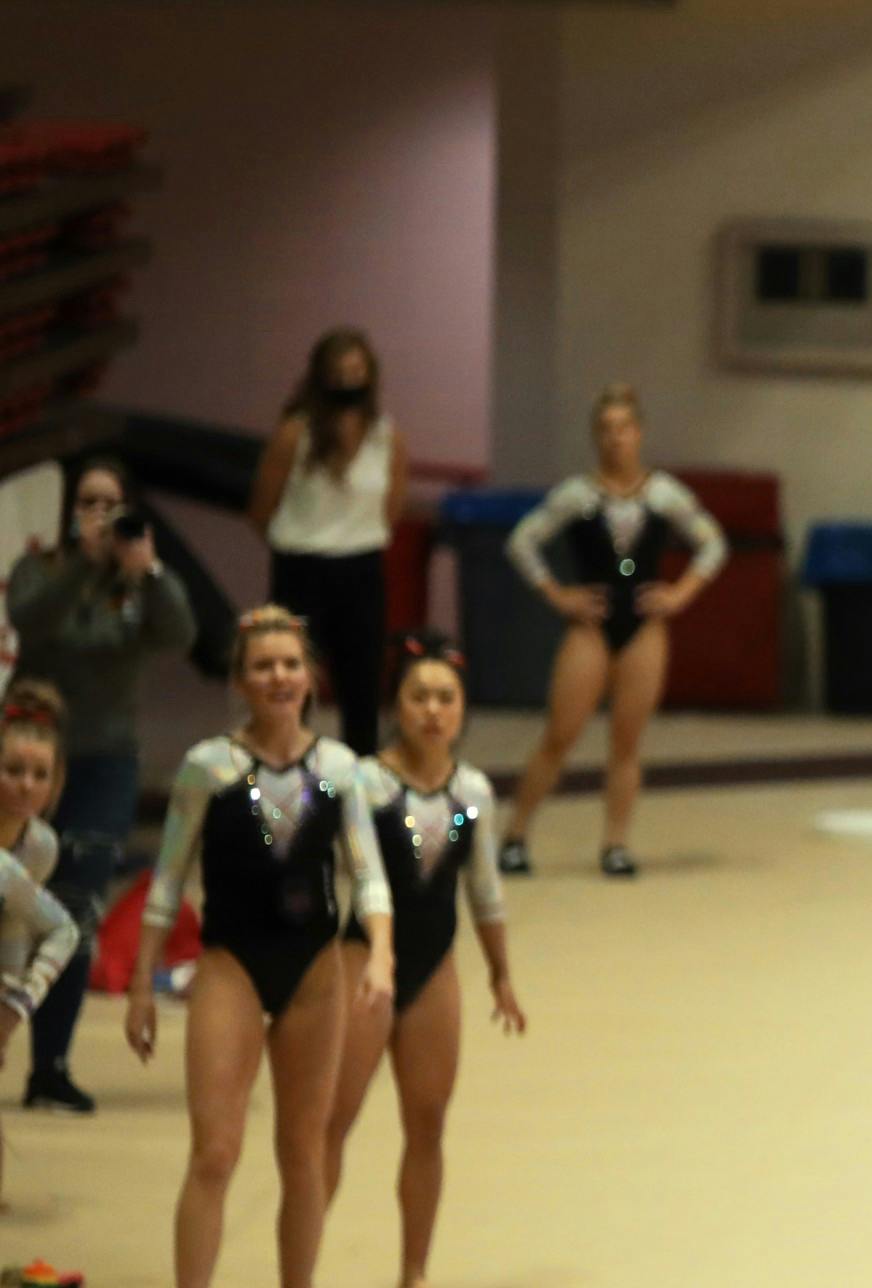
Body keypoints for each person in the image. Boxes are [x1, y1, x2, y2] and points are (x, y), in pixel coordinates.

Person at [124, 606, 394, 1288]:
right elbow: (167, 878)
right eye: (263, 666)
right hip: (232, 967)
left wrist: (382, 954)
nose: (278, 676)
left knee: (303, 1151)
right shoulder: (207, 768)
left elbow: (368, 876)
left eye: (291, 664)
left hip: (314, 972)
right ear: (239, 682)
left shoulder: (341, 769)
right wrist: (140, 983)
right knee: (215, 1152)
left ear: (311, 678)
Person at [323, 632, 525, 1288]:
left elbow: (485, 892)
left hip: (434, 962)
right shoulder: (368, 782)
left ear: (463, 710)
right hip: (365, 959)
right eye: (419, 697)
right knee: (333, 1122)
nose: (432, 710)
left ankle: (414, 1273)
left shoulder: (473, 793)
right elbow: (362, 878)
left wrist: (500, 974)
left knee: (428, 1125)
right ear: (396, 706)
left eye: (446, 698)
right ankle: (302, 1264)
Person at [6, 455, 197, 1114]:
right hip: (30, 759)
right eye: (88, 502)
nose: (98, 515)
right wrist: (87, 560)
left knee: (78, 909)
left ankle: (50, 1066)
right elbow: (30, 619)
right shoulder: (46, 568)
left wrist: (152, 570)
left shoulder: (137, 583)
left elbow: (182, 633)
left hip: (106, 762)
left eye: (111, 504)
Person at [497, 384, 727, 877]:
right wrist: (557, 594)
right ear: (595, 437)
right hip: (593, 625)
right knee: (560, 734)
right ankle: (515, 834)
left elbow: (712, 544)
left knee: (627, 741)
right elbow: (522, 542)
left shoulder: (663, 494)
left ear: (639, 434)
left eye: (623, 429)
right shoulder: (577, 496)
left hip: (643, 624)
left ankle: (616, 843)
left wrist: (681, 594)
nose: (615, 439)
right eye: (605, 430)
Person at [249, 327, 410, 754]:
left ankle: (359, 784)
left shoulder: (385, 436)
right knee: (292, 681)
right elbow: (262, 506)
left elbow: (392, 507)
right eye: (338, 374)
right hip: (302, 565)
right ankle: (288, 773)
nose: (348, 383)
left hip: (361, 565)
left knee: (362, 683)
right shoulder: (295, 433)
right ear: (321, 378)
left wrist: (356, 536)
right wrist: (301, 539)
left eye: (357, 372)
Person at [0, 683, 82, 1210]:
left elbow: (16, 928)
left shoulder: (40, 846)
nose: (25, 786)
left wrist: (11, 1007)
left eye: (40, 775)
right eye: (11, 770)